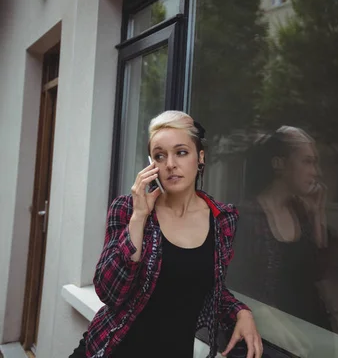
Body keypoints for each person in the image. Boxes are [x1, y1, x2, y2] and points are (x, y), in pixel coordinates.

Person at [69, 111, 262, 358]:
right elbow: (109, 292)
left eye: (181, 152)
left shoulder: (223, 218)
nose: (170, 163)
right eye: (160, 156)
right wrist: (138, 219)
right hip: (110, 350)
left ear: (200, 157)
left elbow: (208, 285)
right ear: (152, 165)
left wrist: (241, 312)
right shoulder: (127, 208)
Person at [228, 126, 333, 334]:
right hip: (271, 337)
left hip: (310, 331)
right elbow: (236, 286)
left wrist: (318, 212)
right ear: (279, 164)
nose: (316, 172)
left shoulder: (302, 212)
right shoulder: (247, 216)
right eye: (307, 161)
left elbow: (317, 272)